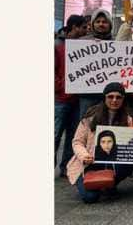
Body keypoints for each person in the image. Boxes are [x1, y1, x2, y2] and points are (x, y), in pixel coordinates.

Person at [65, 83, 133, 204]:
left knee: (128, 164)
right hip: (89, 162)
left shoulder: (127, 119)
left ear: (123, 99)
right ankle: (97, 183)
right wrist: (84, 156)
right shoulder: (90, 117)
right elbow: (77, 142)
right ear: (104, 98)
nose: (114, 100)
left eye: (118, 97)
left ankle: (109, 184)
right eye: (110, 96)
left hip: (111, 161)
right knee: (90, 198)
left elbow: (128, 143)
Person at [55, 15, 87, 177]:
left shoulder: (83, 45)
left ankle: (66, 168)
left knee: (72, 136)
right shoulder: (57, 45)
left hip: (76, 99)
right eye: (83, 27)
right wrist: (62, 88)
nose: (86, 30)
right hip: (60, 99)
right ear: (74, 27)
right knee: (55, 134)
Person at [78, 8, 114, 116]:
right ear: (93, 24)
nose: (101, 24)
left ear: (110, 25)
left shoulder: (117, 44)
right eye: (98, 22)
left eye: (104, 22)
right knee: (86, 123)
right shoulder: (81, 42)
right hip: (87, 95)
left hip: (109, 95)